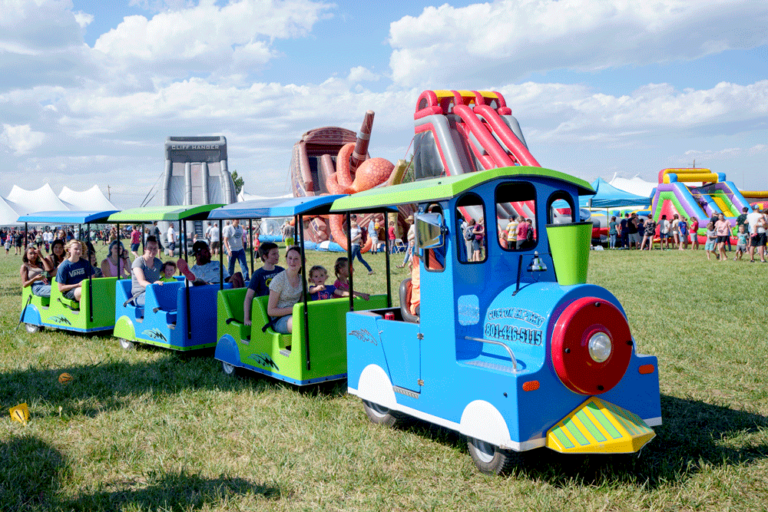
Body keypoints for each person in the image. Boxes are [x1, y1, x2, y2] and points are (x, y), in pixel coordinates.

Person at [243, 242, 284, 327]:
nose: (277, 256)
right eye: (274, 254)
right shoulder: (258, 274)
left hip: (280, 307)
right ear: (265, 257)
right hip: (264, 309)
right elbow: (249, 297)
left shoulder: (281, 271)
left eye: (277, 253)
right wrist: (246, 318)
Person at [267, 246, 305, 334]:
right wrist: (293, 309)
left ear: (303, 261)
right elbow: (271, 311)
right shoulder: (279, 280)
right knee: (299, 322)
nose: (292, 262)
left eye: (296, 259)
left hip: (296, 315)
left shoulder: (302, 280)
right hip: (279, 320)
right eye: (290, 258)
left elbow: (303, 303)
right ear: (286, 259)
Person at [131, 236, 164, 306]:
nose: (153, 251)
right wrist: (153, 286)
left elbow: (167, 275)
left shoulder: (158, 263)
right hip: (140, 295)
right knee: (157, 298)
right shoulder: (138, 262)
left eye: (155, 248)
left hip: (155, 292)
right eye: (150, 248)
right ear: (145, 249)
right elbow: (141, 281)